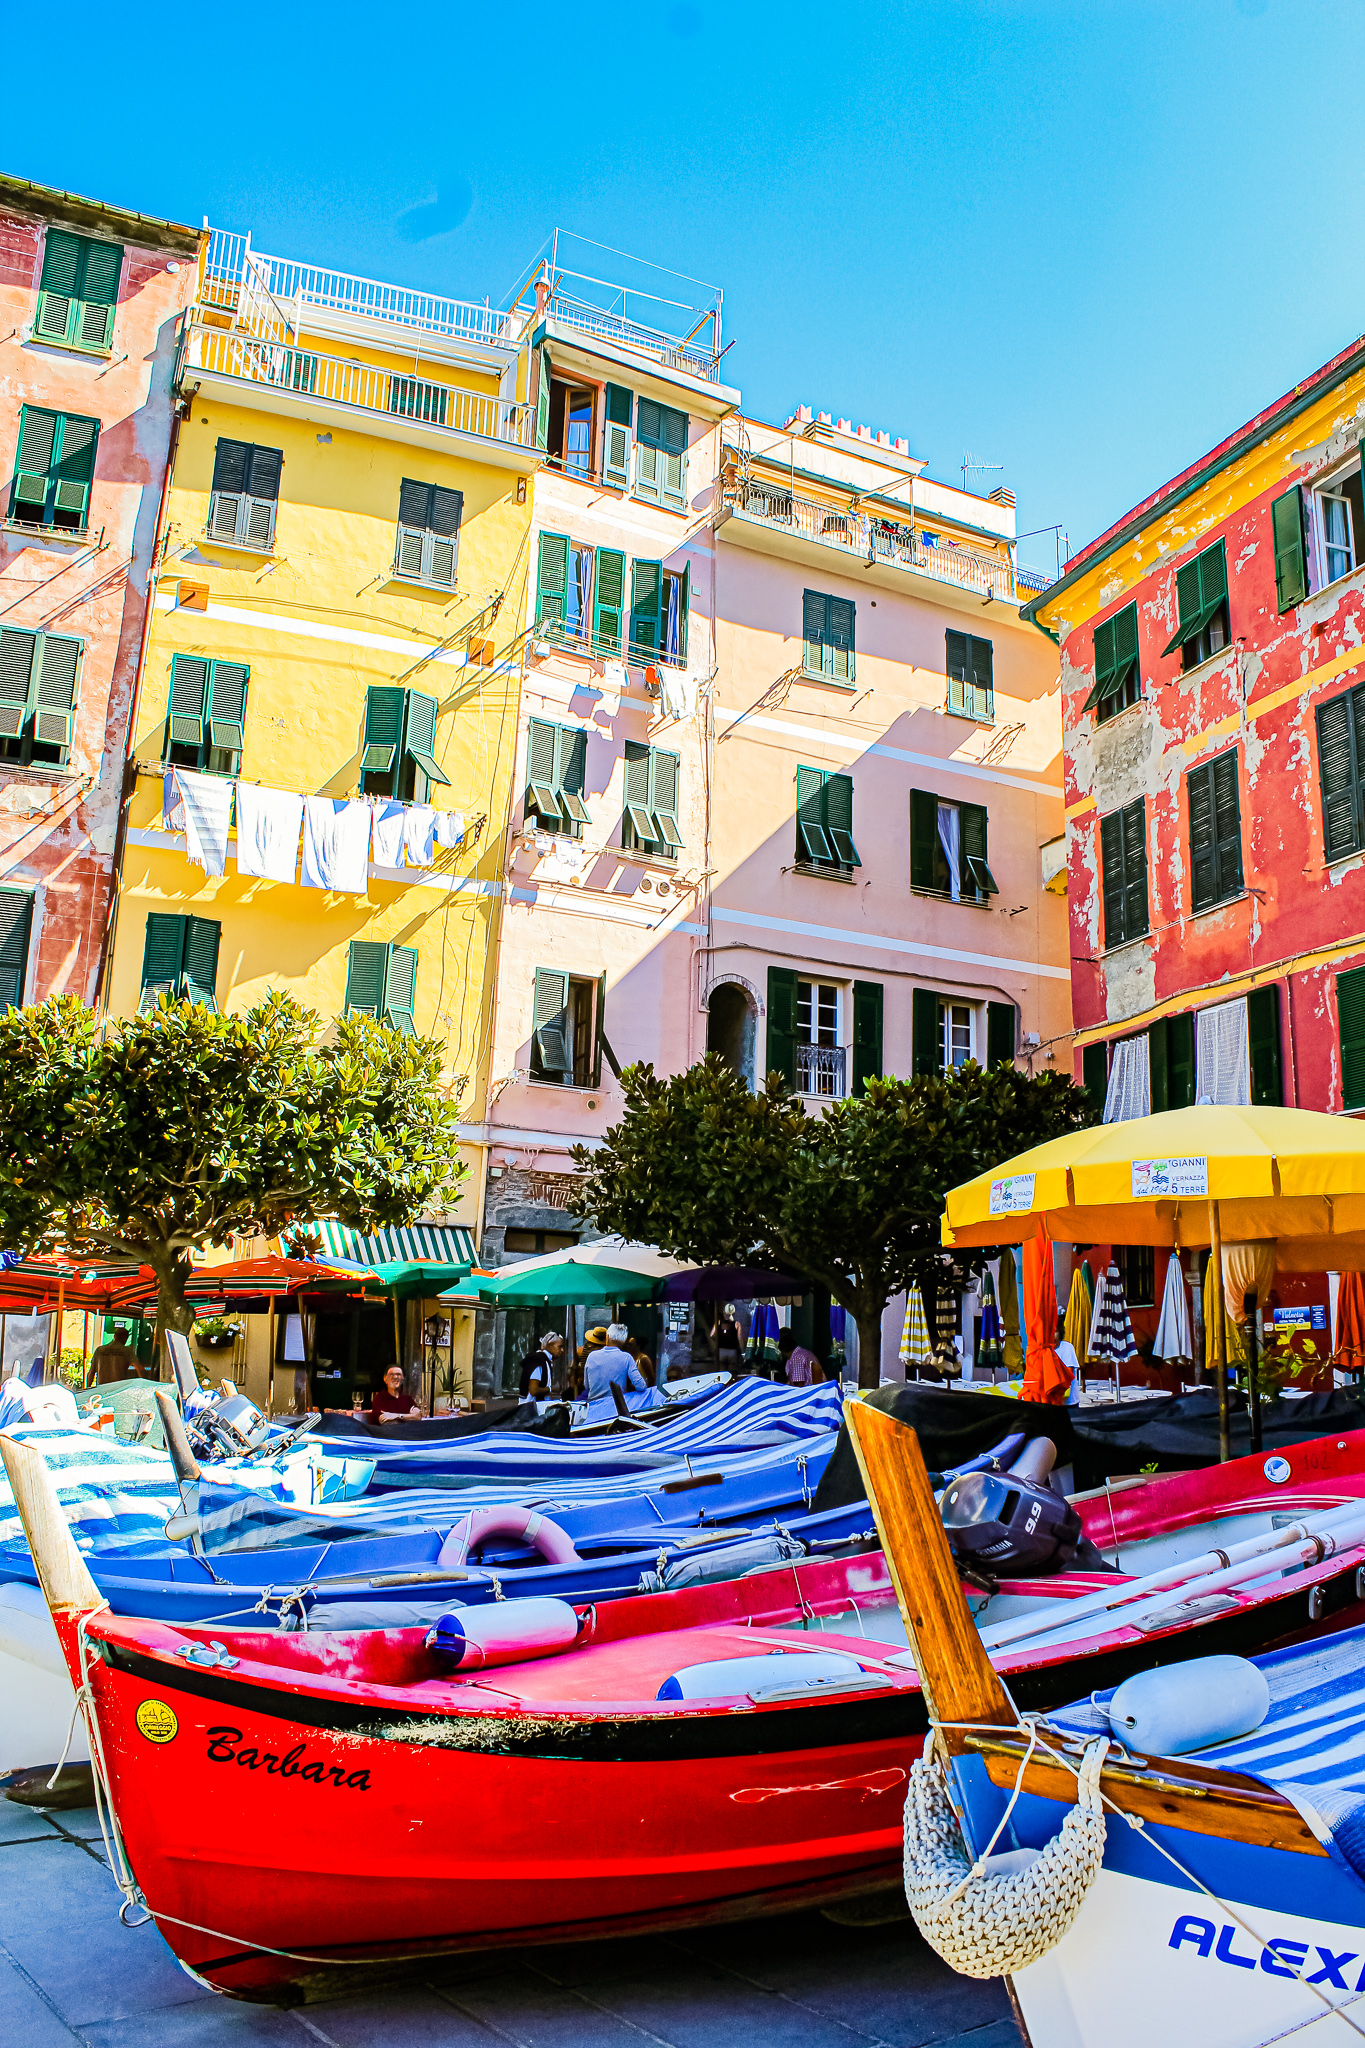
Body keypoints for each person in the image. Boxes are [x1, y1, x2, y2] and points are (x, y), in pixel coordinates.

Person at [585, 1323, 646, 1404]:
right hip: (616, 1408)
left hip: (593, 1406)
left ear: (607, 1337)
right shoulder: (626, 1357)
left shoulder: (591, 1356)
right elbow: (641, 1386)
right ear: (624, 1341)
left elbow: (587, 1385)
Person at [518, 1331, 564, 1401]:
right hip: (531, 1407)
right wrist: (552, 1388)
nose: (562, 1350)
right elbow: (534, 1390)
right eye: (560, 1347)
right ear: (550, 1346)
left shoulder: (545, 1360)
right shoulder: (538, 1360)